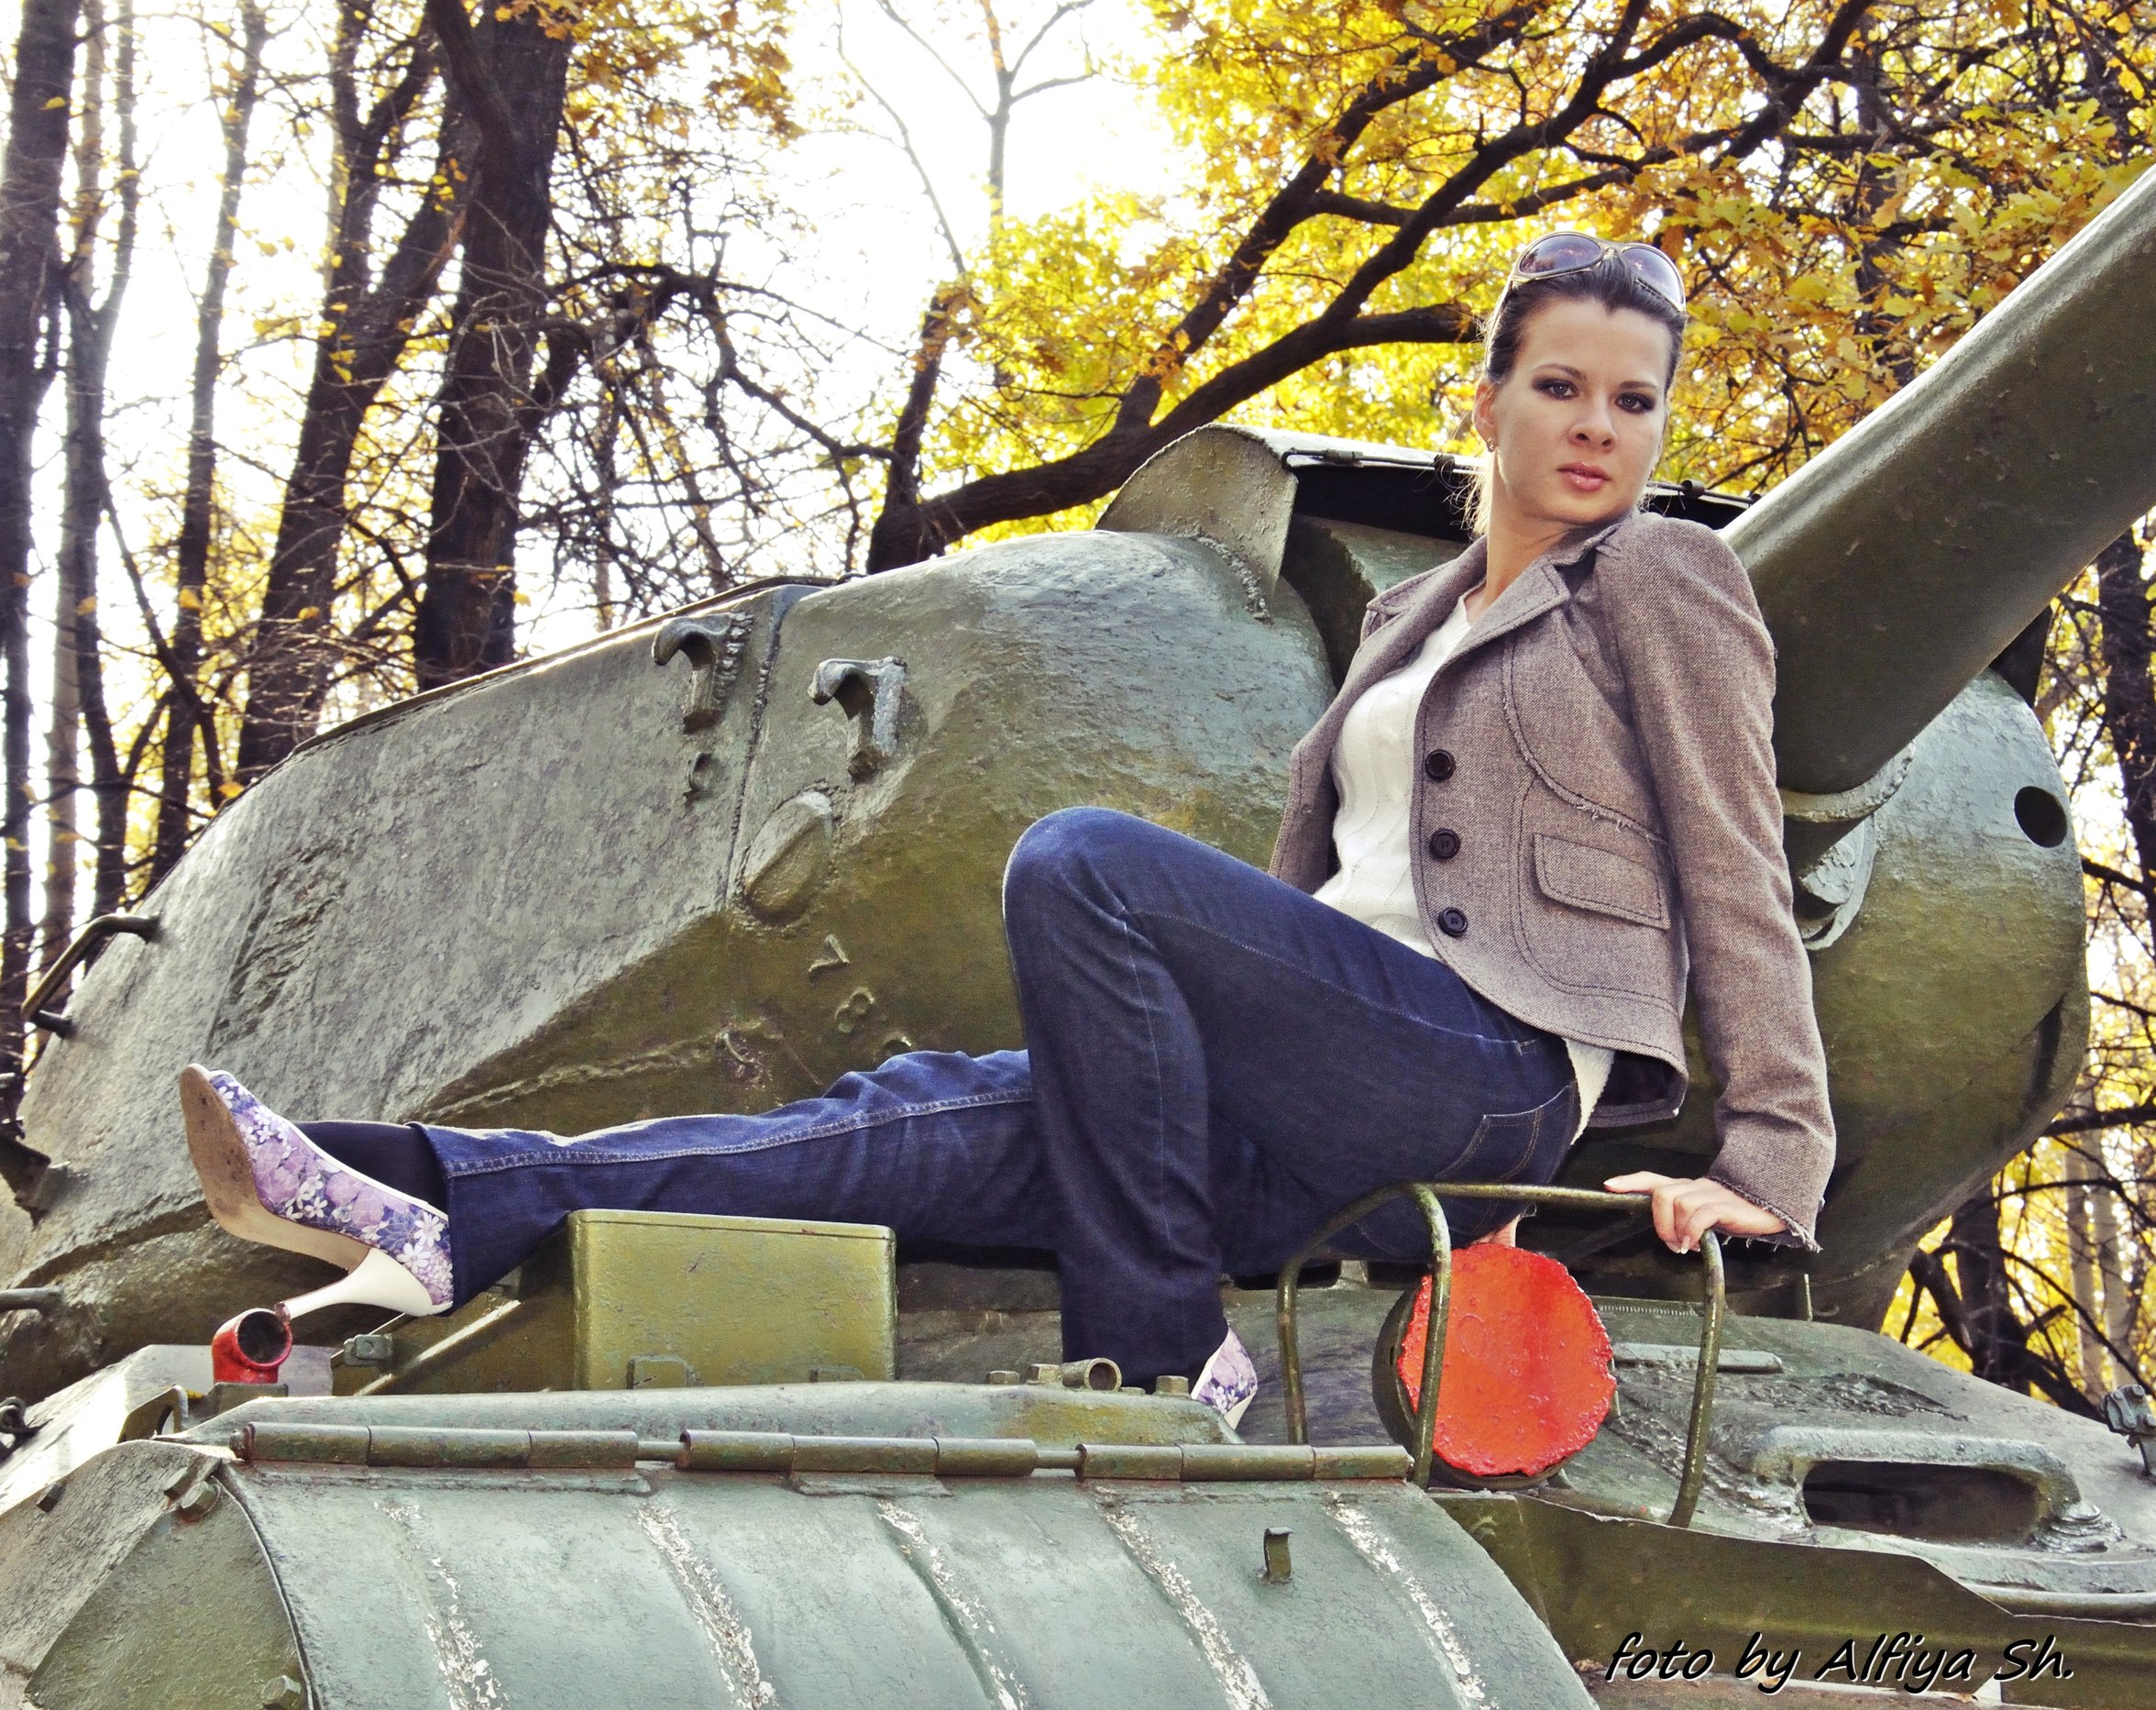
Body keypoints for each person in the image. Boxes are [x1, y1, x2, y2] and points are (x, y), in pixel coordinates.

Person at [177, 232, 1835, 1429]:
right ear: (1489, 404)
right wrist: (1172, 1061)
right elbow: (1319, 892)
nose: (1597, 425)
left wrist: (1770, 1157)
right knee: (899, 1123)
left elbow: (1734, 858)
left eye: (1634, 399)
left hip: (1477, 1075)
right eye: (1561, 385)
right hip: (1307, 1105)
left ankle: (1161, 1353)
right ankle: (439, 1197)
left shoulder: (1666, 580)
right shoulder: (1406, 621)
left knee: (1083, 865)